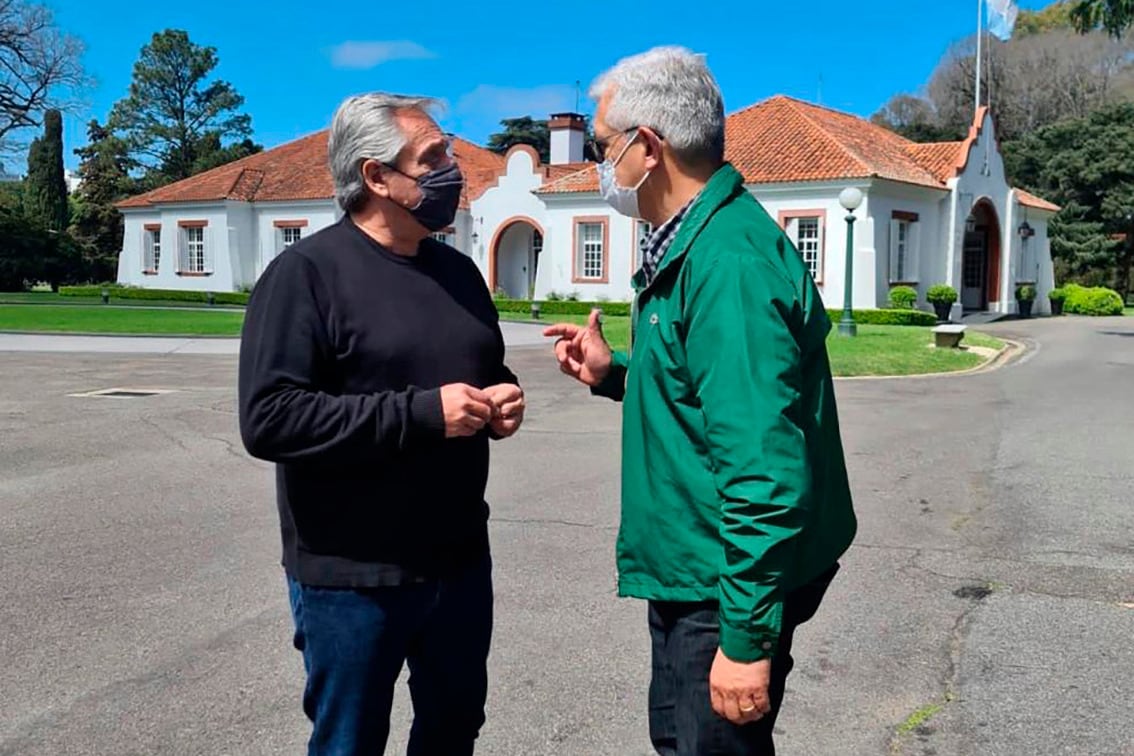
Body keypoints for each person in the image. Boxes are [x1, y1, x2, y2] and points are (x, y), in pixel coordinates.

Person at [544, 47, 857, 755]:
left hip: (722, 585)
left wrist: (744, 641)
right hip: (698, 569)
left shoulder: (726, 261)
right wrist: (615, 373)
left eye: (603, 147)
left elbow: (764, 471)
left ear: (647, 148)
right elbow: (707, 393)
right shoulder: (688, 244)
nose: (600, 166)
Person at [238, 92, 523, 755]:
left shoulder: (458, 273)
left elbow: (481, 366)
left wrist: (502, 399)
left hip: (457, 561)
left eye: (449, 154)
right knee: (350, 741)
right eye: (434, 158)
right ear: (376, 177)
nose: (454, 170)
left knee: (454, 728)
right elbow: (269, 418)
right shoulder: (305, 276)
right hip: (352, 575)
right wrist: (422, 413)